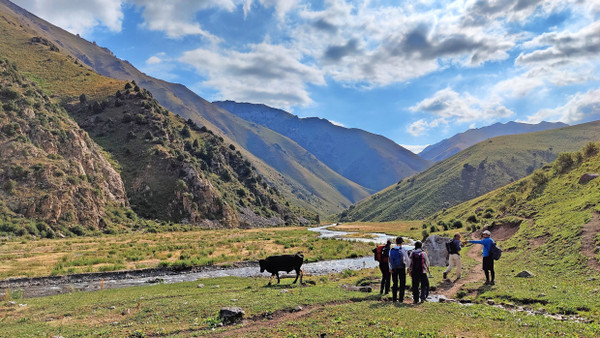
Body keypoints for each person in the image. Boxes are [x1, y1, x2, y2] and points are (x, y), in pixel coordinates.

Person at [388, 236, 410, 302]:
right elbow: (407, 259)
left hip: (394, 268)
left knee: (395, 283)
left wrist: (390, 268)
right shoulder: (402, 249)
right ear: (401, 243)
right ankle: (401, 299)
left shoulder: (391, 250)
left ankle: (394, 299)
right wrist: (408, 267)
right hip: (401, 268)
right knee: (402, 283)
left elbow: (389, 260)